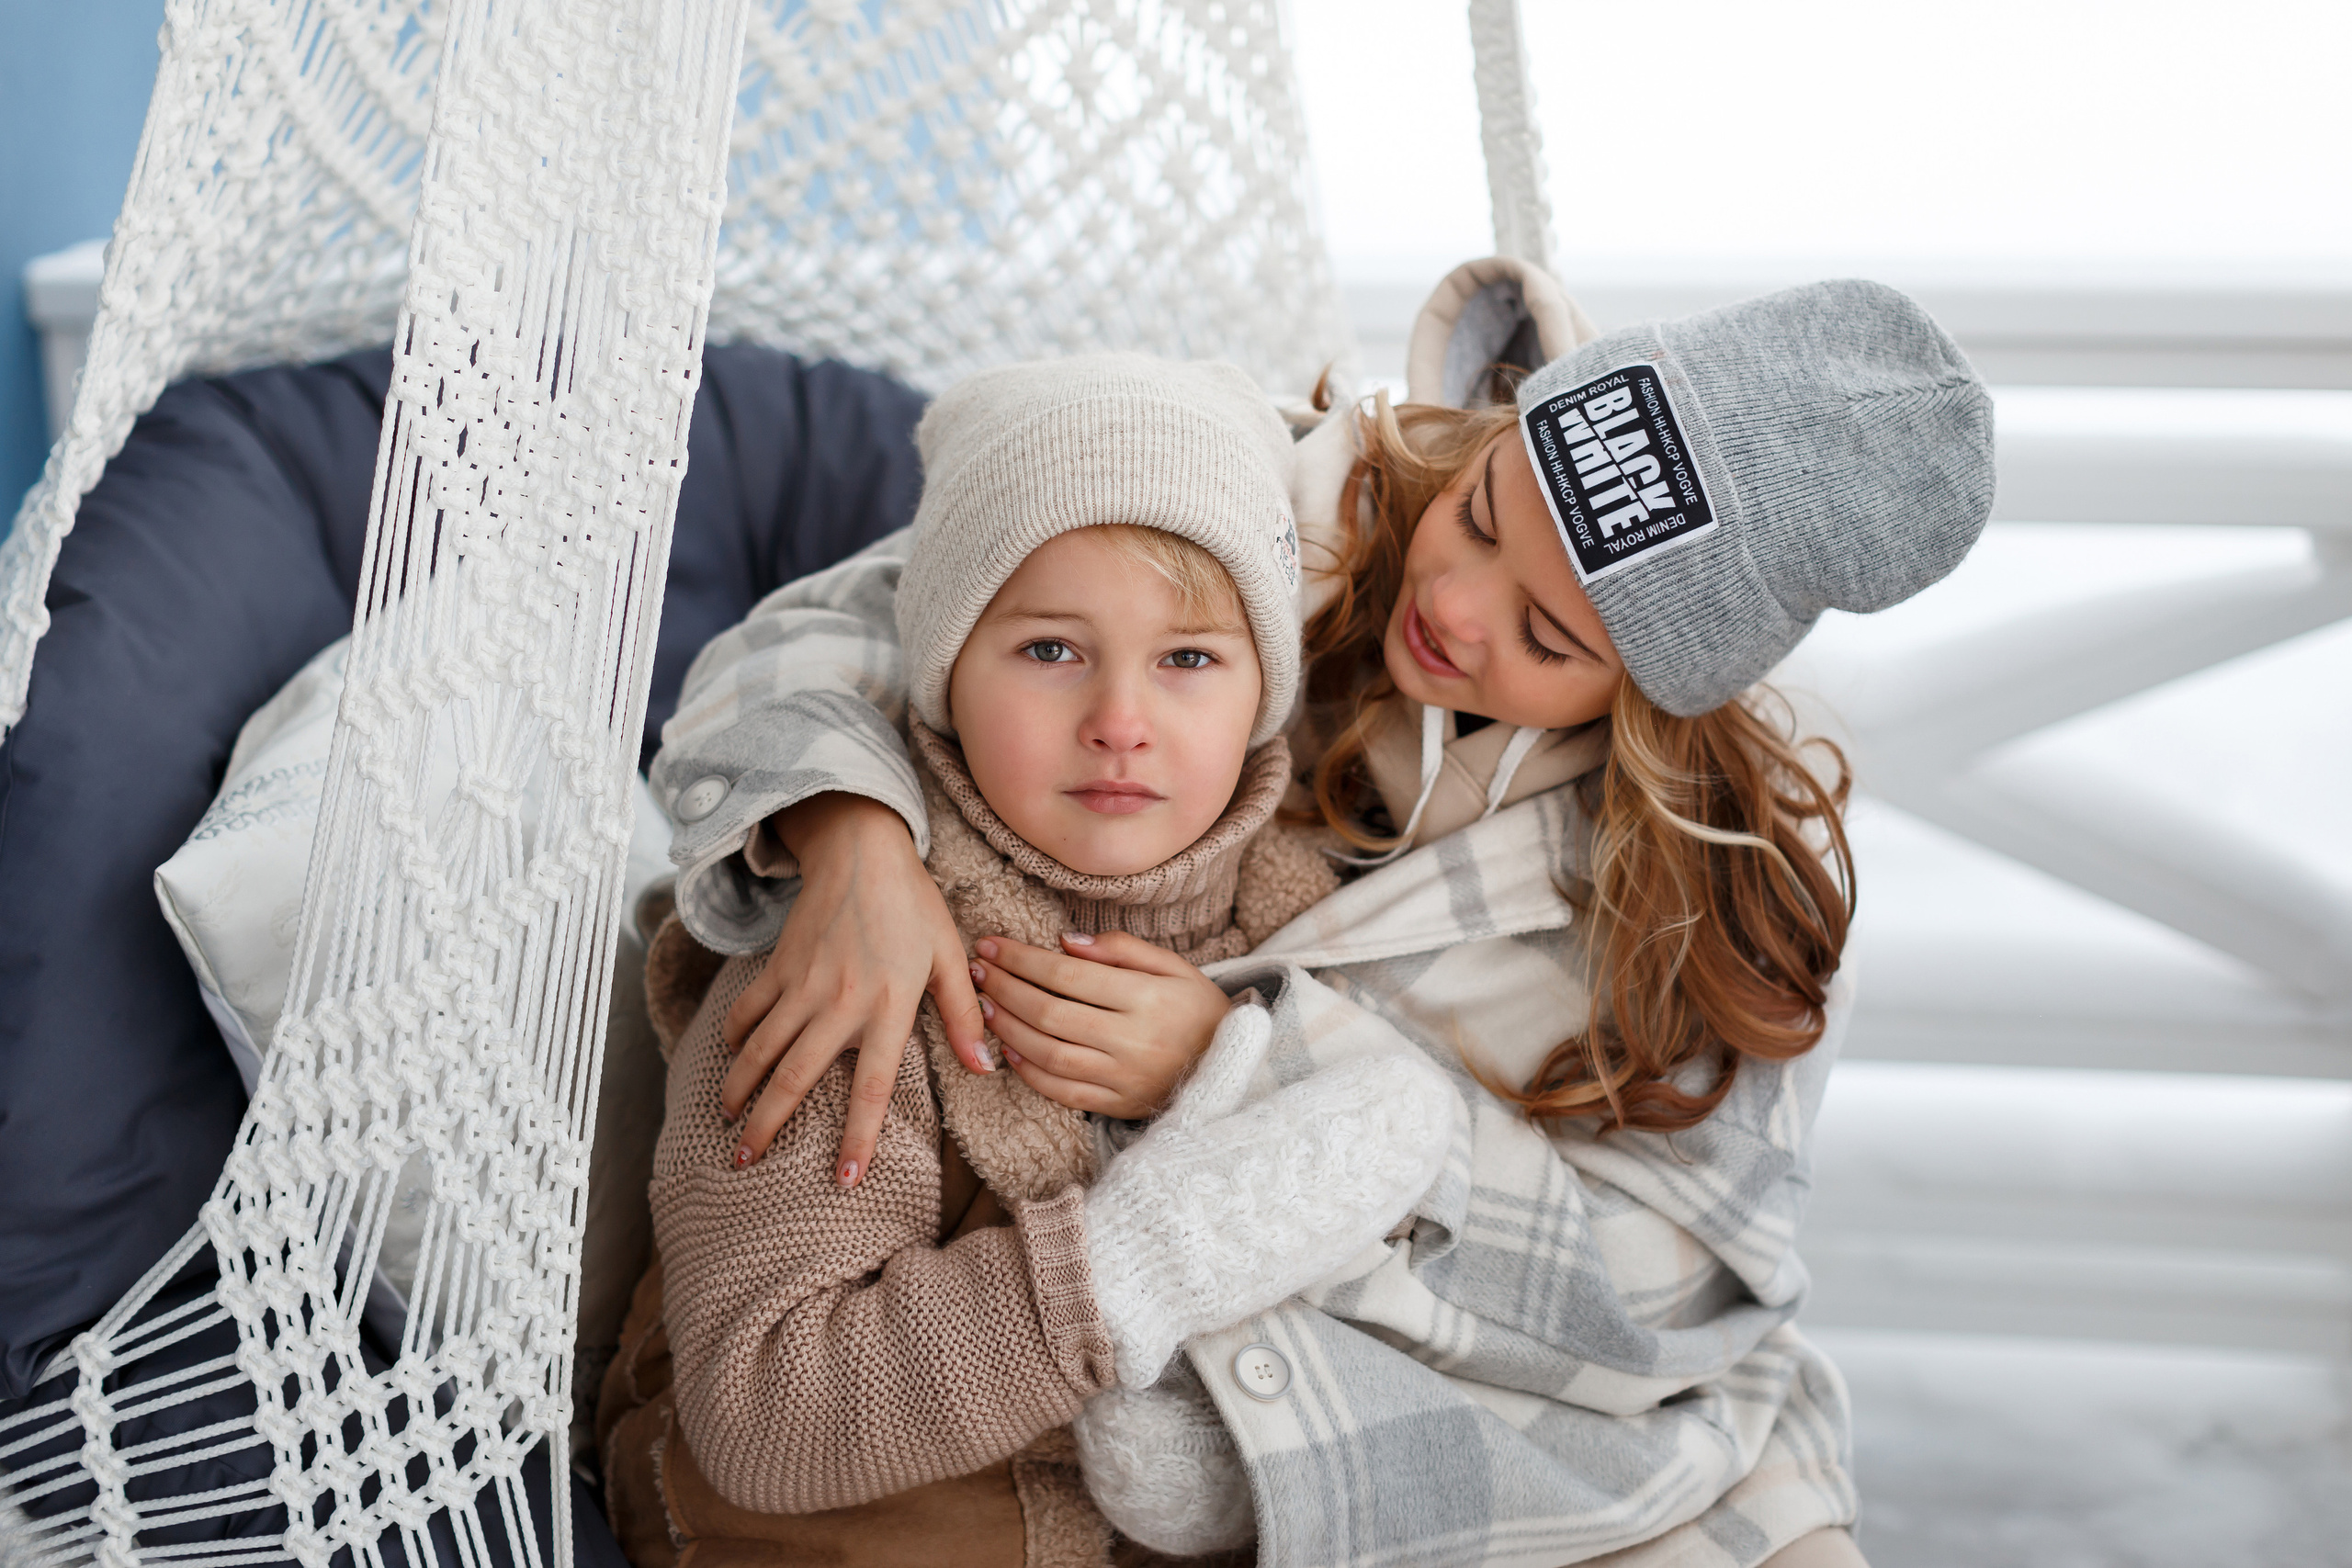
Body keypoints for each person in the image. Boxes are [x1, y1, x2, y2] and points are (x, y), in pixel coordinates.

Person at [640, 262, 1998, 1566]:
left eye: (1547, 637)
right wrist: (851, 838)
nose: (1452, 607)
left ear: (1651, 695)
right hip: (1165, 1308)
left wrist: (1247, 1067)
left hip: (1495, 1337)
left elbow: (1669, 1301)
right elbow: (847, 623)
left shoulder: (1714, 907)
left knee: (1751, 1489)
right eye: (1481, 511)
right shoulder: (1258, 492)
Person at [599, 356, 1455, 1567]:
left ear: (1271, 688)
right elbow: (760, 1412)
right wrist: (1128, 1269)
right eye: (1052, 651)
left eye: (1190, 660)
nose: (1120, 718)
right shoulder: (861, 959)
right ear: (947, 665)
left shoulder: (1308, 927)